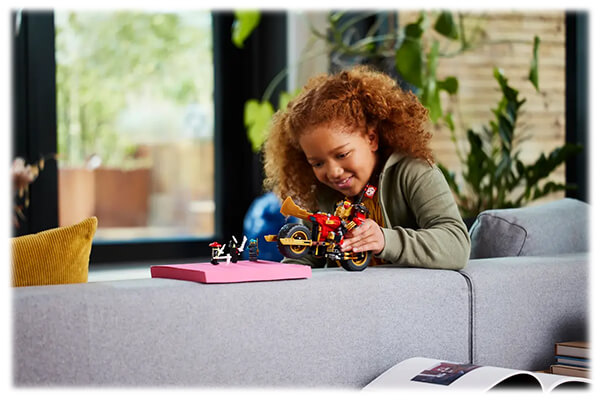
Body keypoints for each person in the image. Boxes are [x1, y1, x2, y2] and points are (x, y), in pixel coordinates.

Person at [262, 65, 470, 270]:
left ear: (371, 138)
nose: (333, 172)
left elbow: (457, 245)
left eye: (342, 155)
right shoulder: (323, 194)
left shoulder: (414, 173)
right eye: (317, 163)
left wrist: (386, 240)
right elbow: (304, 260)